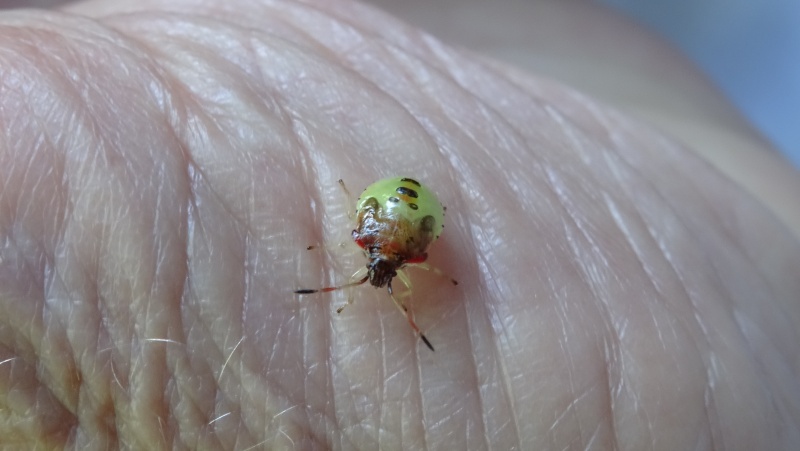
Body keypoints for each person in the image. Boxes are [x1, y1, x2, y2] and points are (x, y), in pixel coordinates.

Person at [1, 0, 798, 448]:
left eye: (377, 274)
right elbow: (397, 235)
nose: (379, 280)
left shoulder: (393, 246)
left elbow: (403, 238)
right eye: (380, 275)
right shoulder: (392, 246)